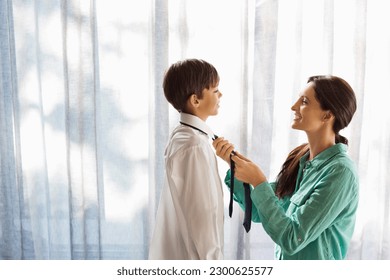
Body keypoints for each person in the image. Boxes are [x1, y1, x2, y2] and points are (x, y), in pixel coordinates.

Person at [213, 75, 359, 260]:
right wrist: (236, 168)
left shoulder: (340, 173)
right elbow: (260, 211)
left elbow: (292, 239)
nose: (294, 106)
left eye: (304, 101)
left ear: (327, 115)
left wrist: (259, 181)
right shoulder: (302, 161)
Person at [149, 59, 224, 260]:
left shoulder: (185, 136)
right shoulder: (194, 145)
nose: (220, 95)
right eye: (215, 90)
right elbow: (201, 217)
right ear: (195, 100)